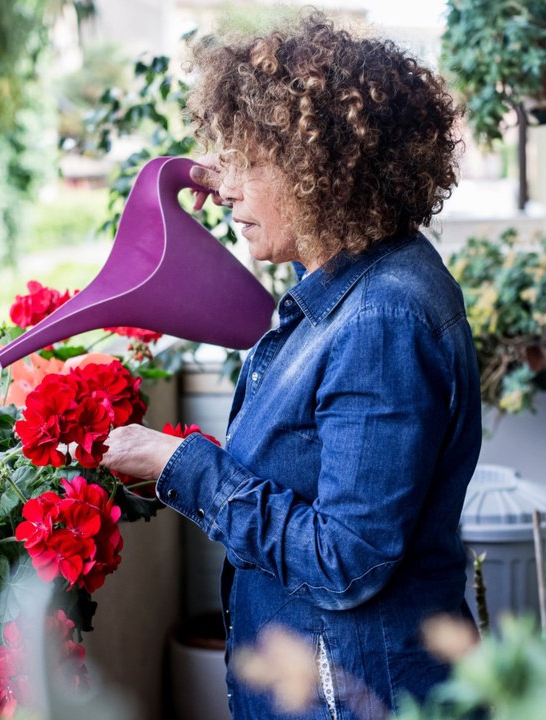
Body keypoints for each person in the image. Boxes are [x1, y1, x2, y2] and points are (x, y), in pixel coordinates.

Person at [101, 12, 482, 719]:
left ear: (323, 171)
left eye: (249, 161)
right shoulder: (360, 288)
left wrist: (180, 464)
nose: (224, 189)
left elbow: (346, 558)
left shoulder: (380, 320)